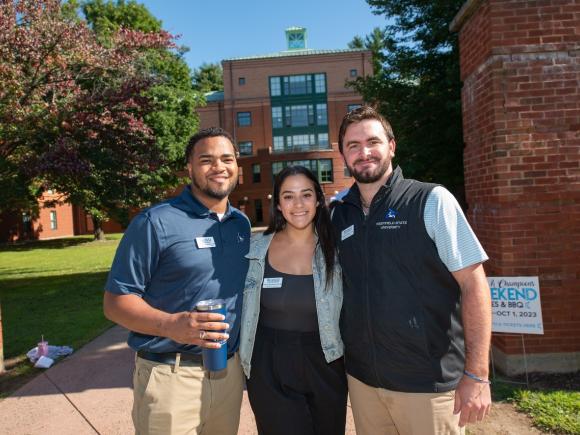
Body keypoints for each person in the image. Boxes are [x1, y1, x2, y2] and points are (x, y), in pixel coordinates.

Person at [331, 106, 492, 435]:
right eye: (353, 145)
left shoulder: (431, 200)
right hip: (365, 386)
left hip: (429, 387)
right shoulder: (337, 214)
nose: (364, 153)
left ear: (391, 146)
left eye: (373, 142)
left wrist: (477, 374)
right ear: (343, 156)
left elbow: (475, 286)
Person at [103, 127, 250, 435]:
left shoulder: (241, 225)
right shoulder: (154, 222)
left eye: (227, 158)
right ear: (189, 167)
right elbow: (116, 303)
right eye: (206, 160)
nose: (219, 167)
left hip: (228, 375)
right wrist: (170, 324)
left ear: (237, 165)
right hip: (170, 376)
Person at [240, 166, 347, 435]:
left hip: (327, 360)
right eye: (288, 196)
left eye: (306, 194)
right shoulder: (255, 250)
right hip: (270, 362)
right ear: (277, 203)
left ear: (319, 200)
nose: (298, 204)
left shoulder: (339, 247)